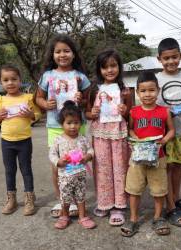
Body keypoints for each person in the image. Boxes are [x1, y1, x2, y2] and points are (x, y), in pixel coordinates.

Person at [35, 34, 91, 218]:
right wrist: (45, 104)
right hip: (55, 125)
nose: (62, 55)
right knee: (58, 164)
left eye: (66, 51)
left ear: (74, 54)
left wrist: (81, 100)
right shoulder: (47, 76)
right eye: (58, 51)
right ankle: (62, 200)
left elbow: (87, 102)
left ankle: (77, 201)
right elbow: (38, 98)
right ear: (52, 55)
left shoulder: (80, 77)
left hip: (76, 124)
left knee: (77, 162)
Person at [121, 71, 175, 237]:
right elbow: (130, 128)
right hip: (137, 160)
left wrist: (164, 141)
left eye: (151, 90)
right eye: (143, 91)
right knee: (134, 189)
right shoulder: (134, 112)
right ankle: (134, 219)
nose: (147, 94)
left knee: (159, 190)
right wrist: (134, 136)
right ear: (137, 92)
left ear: (158, 90)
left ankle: (158, 217)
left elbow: (171, 130)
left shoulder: (164, 111)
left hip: (158, 158)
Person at [85, 49, 132, 226]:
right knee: (102, 169)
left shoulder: (125, 91)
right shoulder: (94, 90)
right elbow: (88, 113)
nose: (109, 70)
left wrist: (125, 111)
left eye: (113, 66)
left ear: (119, 67)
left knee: (119, 169)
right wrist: (92, 113)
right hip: (100, 135)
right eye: (105, 67)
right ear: (99, 70)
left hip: (119, 135)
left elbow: (130, 115)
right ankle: (104, 203)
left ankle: (118, 206)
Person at [156, 38, 181, 227]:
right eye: (166, 58)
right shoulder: (156, 79)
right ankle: (170, 206)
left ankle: (177, 198)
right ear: (159, 59)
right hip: (164, 133)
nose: (171, 61)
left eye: (174, 57)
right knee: (167, 167)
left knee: (178, 166)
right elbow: (151, 104)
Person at [0, 64, 41, 216]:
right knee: (9, 170)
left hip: (24, 141)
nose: (10, 83)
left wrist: (31, 115)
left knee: (26, 169)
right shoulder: (0, 100)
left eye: (14, 79)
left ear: (20, 80)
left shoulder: (27, 98)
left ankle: (29, 197)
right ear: (1, 82)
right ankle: (11, 199)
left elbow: (38, 114)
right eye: (6, 80)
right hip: (6, 141)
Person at [49, 101, 96, 229]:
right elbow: (52, 154)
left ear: (80, 123)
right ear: (62, 124)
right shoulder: (58, 140)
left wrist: (87, 157)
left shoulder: (82, 139)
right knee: (65, 198)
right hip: (64, 177)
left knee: (81, 197)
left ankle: (82, 216)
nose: (72, 126)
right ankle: (64, 216)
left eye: (76, 122)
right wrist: (58, 162)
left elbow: (91, 150)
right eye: (69, 123)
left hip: (80, 176)